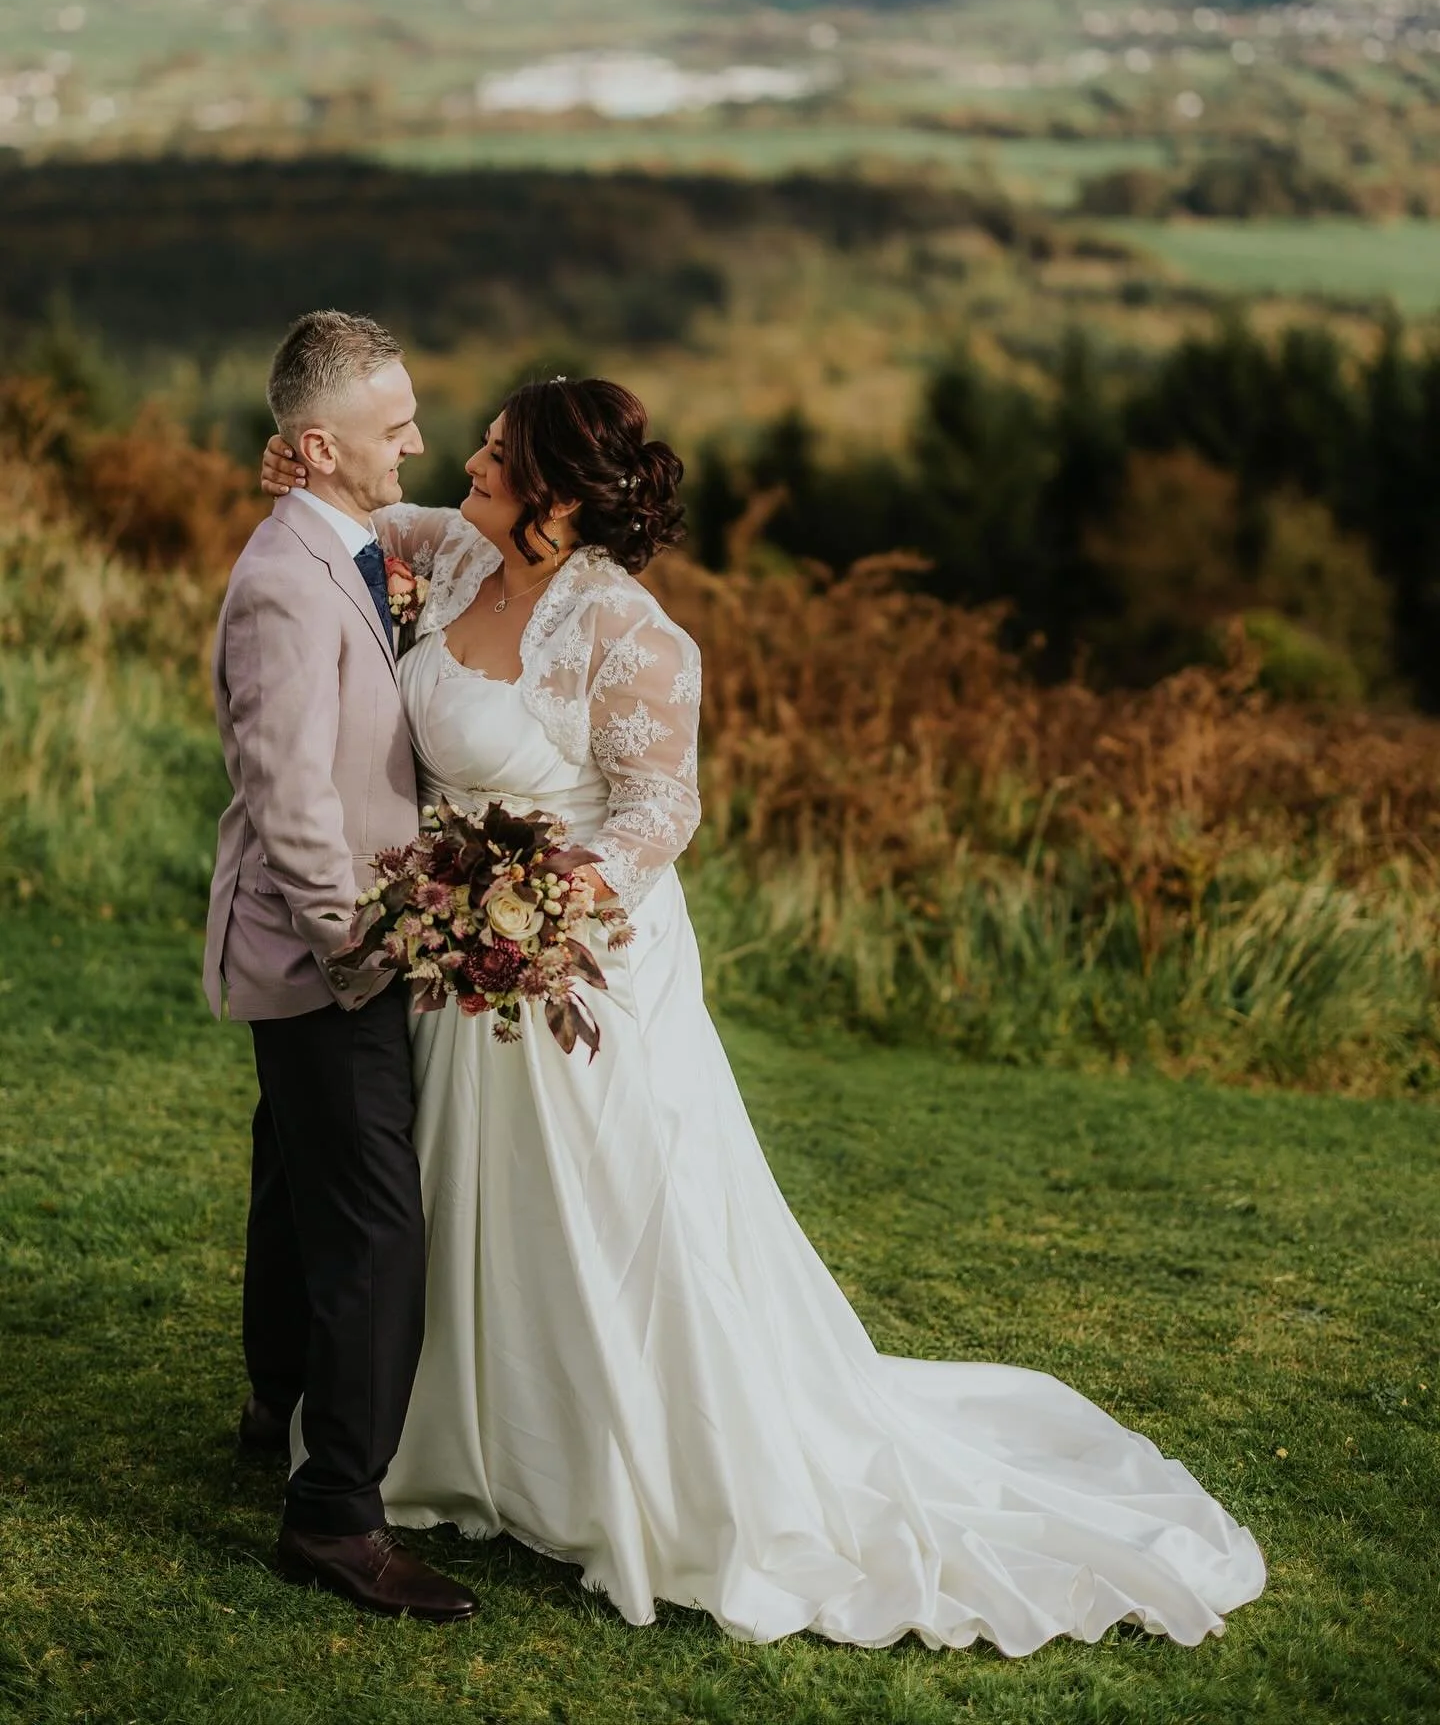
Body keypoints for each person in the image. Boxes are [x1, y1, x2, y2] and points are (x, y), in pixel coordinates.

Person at [258, 377, 1265, 1655]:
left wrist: (554, 901)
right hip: (459, 962)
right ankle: (445, 1441)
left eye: (498, 456)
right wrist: (301, 477)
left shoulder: (633, 636)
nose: (468, 460)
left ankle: (614, 1457)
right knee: (452, 1200)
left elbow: (657, 811)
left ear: (556, 496)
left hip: (574, 968)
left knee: (606, 1208)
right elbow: (361, 527)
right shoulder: (450, 557)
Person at [207, 310, 476, 1622]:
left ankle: (274, 1397)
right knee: (376, 1220)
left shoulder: (350, 545)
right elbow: (291, 801)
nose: (419, 439)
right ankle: (337, 1520)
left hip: (342, 940)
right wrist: (365, 955)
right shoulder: (280, 582)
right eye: (395, 426)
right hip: (333, 951)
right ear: (319, 445)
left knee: (293, 1165)